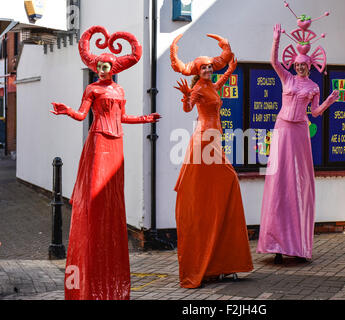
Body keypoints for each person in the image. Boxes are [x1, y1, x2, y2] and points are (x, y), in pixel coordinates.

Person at [51, 26, 161, 299]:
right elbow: (81, 115)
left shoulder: (119, 89)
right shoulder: (92, 88)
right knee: (97, 197)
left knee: (113, 196)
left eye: (106, 66)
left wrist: (146, 119)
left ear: (112, 67)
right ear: (96, 67)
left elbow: (123, 118)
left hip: (117, 142)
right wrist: (67, 111)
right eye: (98, 66)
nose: (101, 69)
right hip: (99, 141)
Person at [170, 33, 253, 288]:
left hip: (215, 140)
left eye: (209, 66)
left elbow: (219, 87)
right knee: (220, 185)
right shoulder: (197, 88)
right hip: (204, 141)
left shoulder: (210, 86)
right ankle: (209, 262)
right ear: (198, 71)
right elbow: (187, 109)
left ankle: (221, 261)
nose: (207, 69)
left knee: (226, 186)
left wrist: (229, 69)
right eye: (204, 67)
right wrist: (186, 96)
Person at [257, 19, 339, 264]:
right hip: (282, 128)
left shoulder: (313, 86)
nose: (301, 68)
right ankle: (276, 244)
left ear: (310, 66)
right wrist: (276, 40)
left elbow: (314, 113)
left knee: (299, 182)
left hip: (300, 131)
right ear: (294, 65)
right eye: (298, 65)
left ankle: (299, 245)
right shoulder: (287, 79)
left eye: (304, 65)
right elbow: (274, 62)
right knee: (280, 180)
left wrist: (329, 101)